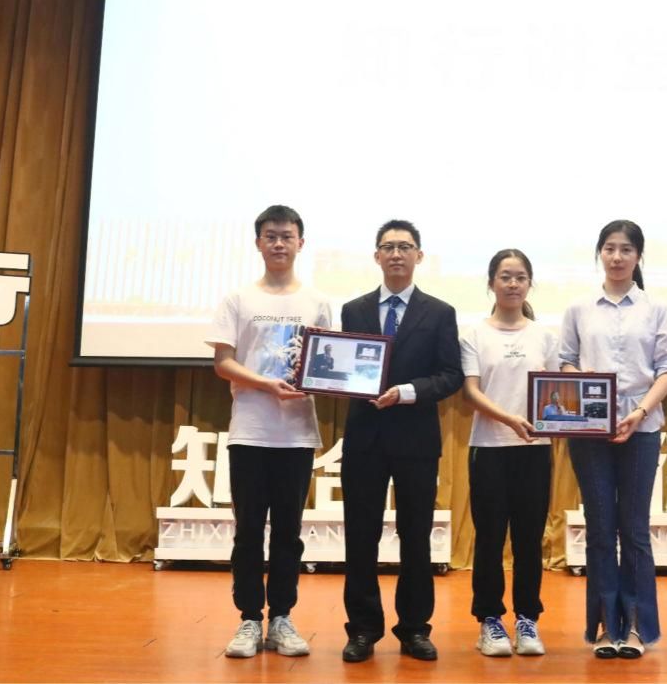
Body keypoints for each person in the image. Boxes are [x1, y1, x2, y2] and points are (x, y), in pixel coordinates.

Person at [206, 205, 332, 659]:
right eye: (271, 236)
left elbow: (328, 364)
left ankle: (281, 617)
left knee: (288, 532)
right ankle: (248, 619)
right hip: (250, 430)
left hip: (296, 434)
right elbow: (223, 362)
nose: (279, 243)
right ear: (258, 243)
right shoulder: (238, 299)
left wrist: (319, 381)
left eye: (287, 236)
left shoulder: (316, 302)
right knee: (248, 531)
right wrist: (265, 384)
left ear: (301, 243)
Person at [339, 220, 465, 663]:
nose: (396, 254)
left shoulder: (440, 312)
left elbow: (450, 375)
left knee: (416, 537)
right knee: (361, 537)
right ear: (377, 255)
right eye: (388, 247)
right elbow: (343, 368)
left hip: (416, 440)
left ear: (419, 256)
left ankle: (414, 629)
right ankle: (363, 629)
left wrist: (408, 392)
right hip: (364, 438)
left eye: (405, 246)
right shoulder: (353, 310)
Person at [559, 220, 667, 659]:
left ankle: (636, 628)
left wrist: (640, 412)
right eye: (609, 248)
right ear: (600, 254)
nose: (616, 257)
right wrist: (582, 381)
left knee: (634, 531)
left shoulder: (656, 308)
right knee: (599, 530)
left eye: (625, 249)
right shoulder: (579, 308)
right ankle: (605, 628)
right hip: (589, 430)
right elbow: (565, 361)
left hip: (641, 427)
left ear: (638, 256)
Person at [459, 249, 558, 657]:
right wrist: (509, 419)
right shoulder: (473, 334)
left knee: (529, 539)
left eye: (520, 277)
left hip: (535, 450)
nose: (513, 284)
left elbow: (558, 392)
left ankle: (527, 620)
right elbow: (470, 392)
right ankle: (489, 621)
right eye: (505, 276)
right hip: (489, 448)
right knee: (489, 538)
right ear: (491, 283)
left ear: (529, 283)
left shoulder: (545, 336)